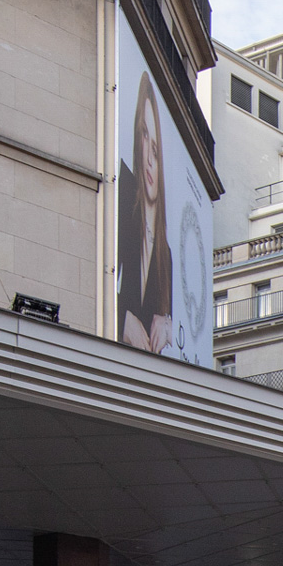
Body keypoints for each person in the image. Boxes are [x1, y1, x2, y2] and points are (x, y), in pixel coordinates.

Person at [116, 70, 176, 354]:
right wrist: (123, 319)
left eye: (156, 149)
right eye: (144, 135)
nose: (150, 161)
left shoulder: (166, 254)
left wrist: (168, 322)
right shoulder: (122, 190)